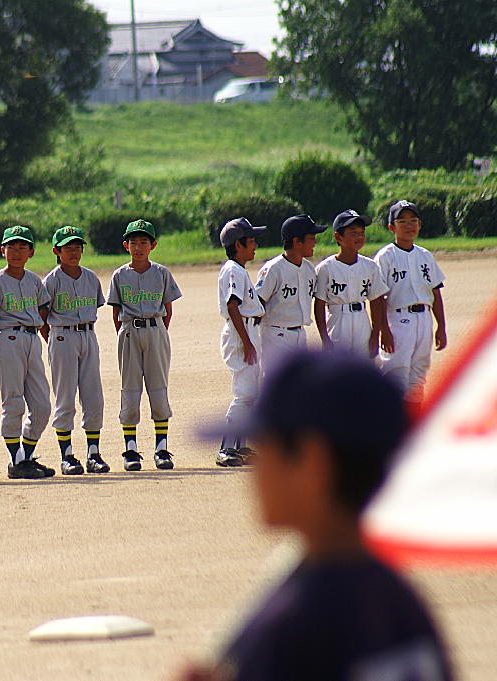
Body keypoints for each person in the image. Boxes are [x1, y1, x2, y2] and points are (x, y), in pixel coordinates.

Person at [181, 350, 453, 681]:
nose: (256, 468)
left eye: (265, 445)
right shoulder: (403, 603)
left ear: (313, 464)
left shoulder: (290, 627)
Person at [0, 225, 54, 480]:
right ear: (3, 251)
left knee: (42, 406)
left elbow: (43, 309)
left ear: (31, 252)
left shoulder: (34, 281)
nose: (17, 252)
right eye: (11, 246)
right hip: (7, 339)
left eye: (23, 247)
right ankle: (17, 460)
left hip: (32, 340)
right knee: (13, 403)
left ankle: (25, 457)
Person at [106, 219, 182, 471]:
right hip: (129, 331)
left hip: (155, 329)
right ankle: (130, 449)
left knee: (158, 389)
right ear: (126, 245)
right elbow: (115, 312)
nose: (138, 247)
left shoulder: (161, 273)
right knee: (130, 390)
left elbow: (168, 309)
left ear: (153, 245)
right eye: (133, 242)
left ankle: (161, 448)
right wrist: (126, 334)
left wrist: (157, 331)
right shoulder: (119, 275)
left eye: (144, 242)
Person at [40, 225, 109, 475]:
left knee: (93, 396)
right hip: (62, 336)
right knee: (65, 397)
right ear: (56, 251)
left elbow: (97, 305)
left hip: (88, 335)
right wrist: (54, 339)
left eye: (77, 247)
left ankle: (93, 454)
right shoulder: (51, 281)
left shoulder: (91, 278)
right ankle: (67, 455)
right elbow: (42, 316)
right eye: (68, 248)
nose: (73, 252)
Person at [374, 200, 447, 409]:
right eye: (402, 221)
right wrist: (384, 329)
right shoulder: (385, 256)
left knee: (418, 374)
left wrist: (441, 326)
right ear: (392, 227)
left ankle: (413, 420)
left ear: (420, 224)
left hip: (424, 319)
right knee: (396, 372)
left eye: (413, 220)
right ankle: (392, 421)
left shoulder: (425, 255)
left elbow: (435, 292)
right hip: (398, 319)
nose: (409, 225)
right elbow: (378, 297)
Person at [216, 218, 267, 467]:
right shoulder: (233, 270)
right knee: (244, 393)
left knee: (251, 393)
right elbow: (232, 305)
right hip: (241, 333)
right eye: (251, 240)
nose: (255, 245)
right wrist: (246, 342)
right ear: (239, 244)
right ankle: (226, 448)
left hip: (247, 330)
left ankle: (240, 445)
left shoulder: (238, 269)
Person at [255, 215, 325, 376]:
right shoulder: (273, 269)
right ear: (297, 241)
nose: (315, 242)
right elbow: (258, 303)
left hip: (300, 334)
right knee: (277, 379)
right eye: (311, 238)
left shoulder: (309, 269)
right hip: (275, 335)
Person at [314, 210, 392, 357]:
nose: (359, 237)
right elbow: (319, 304)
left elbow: (376, 300)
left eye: (362, 233)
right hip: (337, 320)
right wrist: (324, 338)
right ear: (338, 237)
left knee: (363, 365)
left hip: (361, 319)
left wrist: (375, 334)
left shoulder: (370, 266)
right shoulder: (325, 268)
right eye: (353, 233)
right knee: (338, 366)